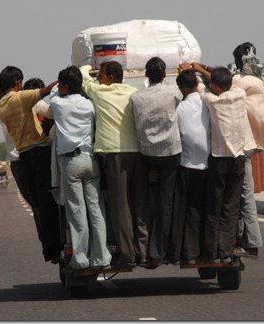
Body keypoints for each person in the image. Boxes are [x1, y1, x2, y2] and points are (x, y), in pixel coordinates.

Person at [41, 65, 111, 270]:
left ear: (64, 85)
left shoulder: (57, 104)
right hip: (91, 160)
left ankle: (81, 259)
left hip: (71, 163)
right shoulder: (89, 104)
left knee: (77, 212)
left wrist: (55, 87)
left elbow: (46, 107)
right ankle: (101, 257)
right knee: (96, 209)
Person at [80, 61, 148, 268]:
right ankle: (143, 251)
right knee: (140, 204)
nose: (98, 77)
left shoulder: (100, 93)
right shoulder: (132, 91)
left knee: (121, 206)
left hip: (115, 154)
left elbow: (83, 78)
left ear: (109, 77)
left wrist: (87, 67)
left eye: (100, 74)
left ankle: (127, 253)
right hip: (137, 152)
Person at [0, 66, 61, 263]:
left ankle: (50, 250)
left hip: (22, 158)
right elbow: (46, 93)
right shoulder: (22, 98)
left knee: (38, 206)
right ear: (18, 84)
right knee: (48, 203)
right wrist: (65, 80)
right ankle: (56, 247)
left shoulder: (0, 108)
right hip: (40, 151)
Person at [130, 57, 183, 268]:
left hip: (146, 154)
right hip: (170, 153)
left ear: (145, 74)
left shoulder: (136, 98)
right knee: (166, 201)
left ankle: (142, 248)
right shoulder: (173, 92)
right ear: (164, 75)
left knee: (142, 200)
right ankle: (160, 250)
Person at [200, 67, 256, 263]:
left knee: (214, 207)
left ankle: (210, 252)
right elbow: (225, 81)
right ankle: (225, 252)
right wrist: (206, 69)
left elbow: (199, 86)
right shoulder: (240, 95)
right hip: (238, 160)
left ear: (214, 86)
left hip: (219, 159)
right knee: (231, 208)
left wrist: (197, 68)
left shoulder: (211, 100)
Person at [231, 42, 264, 257]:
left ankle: (241, 237)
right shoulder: (261, 82)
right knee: (247, 194)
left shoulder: (238, 81)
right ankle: (252, 240)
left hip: (236, 146)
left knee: (236, 196)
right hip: (253, 145)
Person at [168, 69, 211, 265]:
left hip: (186, 165)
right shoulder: (208, 103)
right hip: (208, 164)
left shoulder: (179, 109)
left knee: (187, 210)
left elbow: (176, 137)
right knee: (205, 209)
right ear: (197, 83)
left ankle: (188, 252)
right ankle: (207, 250)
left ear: (182, 88)